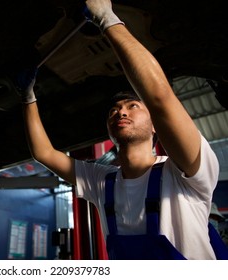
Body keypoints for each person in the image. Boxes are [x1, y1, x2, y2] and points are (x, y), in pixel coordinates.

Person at [17, 0, 220, 259]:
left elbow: (160, 98)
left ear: (156, 127)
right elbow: (44, 153)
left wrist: (106, 18)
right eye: (114, 110)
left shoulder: (186, 173)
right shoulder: (103, 181)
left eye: (133, 105)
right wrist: (27, 97)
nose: (121, 112)